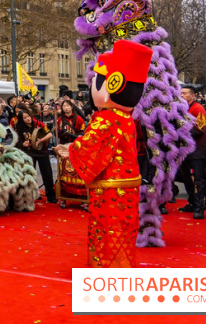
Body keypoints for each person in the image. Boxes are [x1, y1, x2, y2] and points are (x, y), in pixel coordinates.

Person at [56, 39, 152, 268]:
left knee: (106, 229)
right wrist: (73, 148)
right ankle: (121, 266)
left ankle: (106, 271)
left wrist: (71, 150)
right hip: (127, 185)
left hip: (110, 189)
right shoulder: (126, 118)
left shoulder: (107, 118)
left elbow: (93, 148)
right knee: (124, 230)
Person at [15, 105, 57, 204]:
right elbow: (17, 141)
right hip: (29, 153)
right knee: (30, 175)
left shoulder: (39, 123)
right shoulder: (20, 127)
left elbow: (50, 134)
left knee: (47, 174)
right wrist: (22, 144)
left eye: (28, 116)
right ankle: (31, 196)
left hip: (42, 152)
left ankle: (51, 196)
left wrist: (41, 140)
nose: (27, 119)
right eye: (24, 118)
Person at [179, 84, 206, 220]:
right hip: (184, 150)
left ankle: (199, 207)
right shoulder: (181, 109)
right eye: (181, 93)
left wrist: (180, 130)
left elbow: (200, 130)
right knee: (186, 178)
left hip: (197, 149)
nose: (182, 95)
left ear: (193, 95)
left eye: (185, 93)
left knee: (199, 179)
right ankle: (192, 202)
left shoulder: (199, 109)